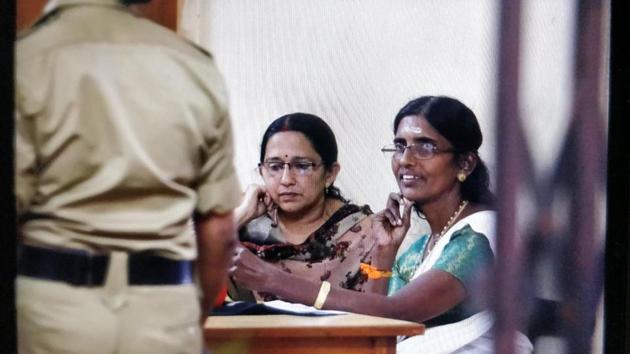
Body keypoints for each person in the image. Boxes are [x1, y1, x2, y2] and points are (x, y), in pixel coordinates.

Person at [15, 1, 240, 353]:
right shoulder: (193, 67)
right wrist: (185, 317)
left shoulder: (27, 60)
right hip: (165, 307)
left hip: (52, 308)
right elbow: (220, 232)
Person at [231, 96, 533, 353]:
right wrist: (385, 252)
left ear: (465, 164)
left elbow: (399, 311)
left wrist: (271, 278)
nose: (406, 160)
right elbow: (378, 327)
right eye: (400, 146)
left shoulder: (482, 233)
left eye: (425, 147)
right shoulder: (424, 245)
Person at [231, 113, 376, 301]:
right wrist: (240, 216)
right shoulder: (246, 225)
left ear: (330, 174)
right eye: (274, 167)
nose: (286, 180)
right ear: (261, 172)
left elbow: (377, 309)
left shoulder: (364, 233)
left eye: (302, 166)